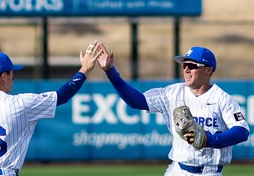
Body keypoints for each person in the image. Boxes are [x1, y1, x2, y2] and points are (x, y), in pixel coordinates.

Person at [0, 40, 104, 176]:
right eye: (11, 74)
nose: (13, 78)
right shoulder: (20, 104)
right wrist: (84, 70)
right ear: (4, 76)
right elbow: (62, 96)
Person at [97, 44, 250, 175]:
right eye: (184, 65)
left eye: (192, 65)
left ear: (208, 70)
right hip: (178, 170)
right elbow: (136, 101)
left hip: (209, 171)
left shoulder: (222, 99)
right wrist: (111, 72)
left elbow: (242, 131)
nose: (187, 70)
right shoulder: (172, 93)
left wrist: (210, 140)